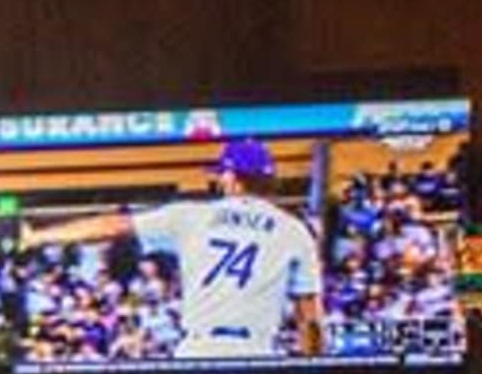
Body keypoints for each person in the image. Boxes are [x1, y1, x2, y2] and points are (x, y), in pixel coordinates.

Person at [17, 135, 322, 361]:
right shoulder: (294, 231)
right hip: (259, 353)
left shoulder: (192, 215)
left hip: (200, 351)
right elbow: (310, 321)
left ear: (230, 178)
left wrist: (40, 237)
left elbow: (113, 226)